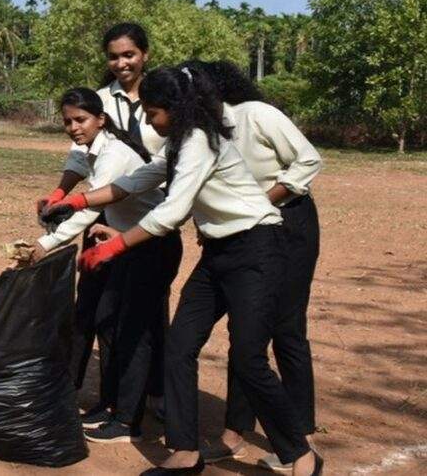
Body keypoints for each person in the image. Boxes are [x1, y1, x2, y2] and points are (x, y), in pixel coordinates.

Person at [55, 66, 321, 476]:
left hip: (257, 249)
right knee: (179, 347)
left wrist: (115, 247)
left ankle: (300, 454)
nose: (146, 119)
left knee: (249, 357)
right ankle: (184, 451)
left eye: (151, 111)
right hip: (218, 252)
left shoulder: (200, 141)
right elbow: (137, 180)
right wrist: (77, 202)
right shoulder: (179, 142)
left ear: (176, 109)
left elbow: (171, 213)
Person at [36, 22, 176, 419]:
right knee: (96, 310)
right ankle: (91, 392)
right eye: (113, 57)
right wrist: (63, 194)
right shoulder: (98, 101)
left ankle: (151, 395)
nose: (121, 63)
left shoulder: (163, 97)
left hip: (145, 219)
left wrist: (53, 236)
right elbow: (80, 159)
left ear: (144, 54)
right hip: (100, 216)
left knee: (146, 313)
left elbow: (166, 163)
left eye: (128, 55)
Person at [194, 61, 322, 472]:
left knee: (286, 329)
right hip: (245, 232)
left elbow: (308, 161)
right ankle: (235, 430)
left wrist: (258, 203)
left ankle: (299, 437)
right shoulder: (204, 136)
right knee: (246, 331)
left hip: (290, 224)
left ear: (213, 91)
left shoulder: (258, 115)